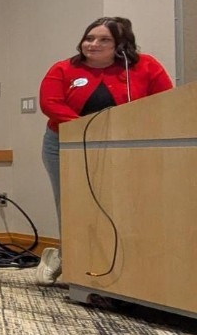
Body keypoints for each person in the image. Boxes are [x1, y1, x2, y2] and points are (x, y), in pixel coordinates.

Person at [37, 16, 173, 283]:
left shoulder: (146, 67)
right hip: (66, 146)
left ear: (122, 46)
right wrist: (86, 129)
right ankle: (70, 259)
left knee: (124, 205)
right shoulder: (63, 69)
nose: (93, 44)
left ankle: (126, 265)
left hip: (127, 148)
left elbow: (164, 101)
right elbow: (50, 104)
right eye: (89, 38)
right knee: (72, 205)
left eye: (103, 40)